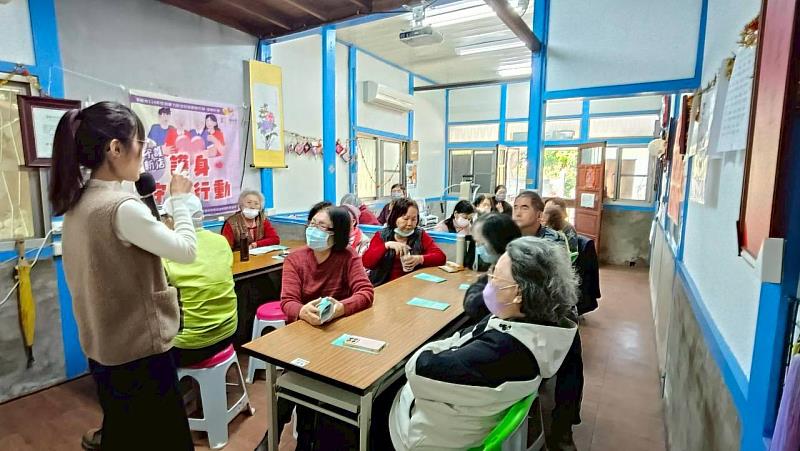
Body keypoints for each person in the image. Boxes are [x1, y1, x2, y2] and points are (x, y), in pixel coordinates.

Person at [51, 101, 196, 450]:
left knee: (124, 429)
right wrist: (180, 200)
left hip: (104, 346)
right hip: (140, 351)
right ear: (115, 148)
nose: (143, 154)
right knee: (168, 439)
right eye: (140, 144)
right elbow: (187, 250)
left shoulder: (78, 203)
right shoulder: (121, 207)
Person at [387, 237, 579, 450]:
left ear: (518, 293)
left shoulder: (499, 351)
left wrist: (440, 345)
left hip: (433, 436)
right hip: (472, 417)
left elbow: (417, 367)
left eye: (496, 276)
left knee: (383, 392)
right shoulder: (536, 329)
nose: (489, 282)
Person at [163, 194, 237, 367]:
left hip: (190, 346)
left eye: (165, 217)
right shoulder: (220, 241)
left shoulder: (166, 249)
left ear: (172, 219)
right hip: (229, 332)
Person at [281, 202, 374, 324]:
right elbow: (287, 301)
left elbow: (366, 291)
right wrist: (302, 311)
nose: (313, 230)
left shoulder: (348, 255)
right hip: (305, 324)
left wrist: (341, 308)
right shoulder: (294, 258)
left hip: (340, 322)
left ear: (337, 233)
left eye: (321, 226)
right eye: (312, 223)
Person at [362, 198, 447, 286]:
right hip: (384, 285)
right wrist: (386, 245)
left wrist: (419, 259)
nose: (410, 223)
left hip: (411, 284)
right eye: (405, 219)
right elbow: (367, 263)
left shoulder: (419, 234)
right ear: (395, 218)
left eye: (414, 219)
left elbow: (441, 257)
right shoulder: (382, 235)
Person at [462, 213, 522, 318]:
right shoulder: (498, 266)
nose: (478, 248)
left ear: (497, 241)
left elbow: (474, 305)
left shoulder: (511, 276)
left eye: (481, 243)